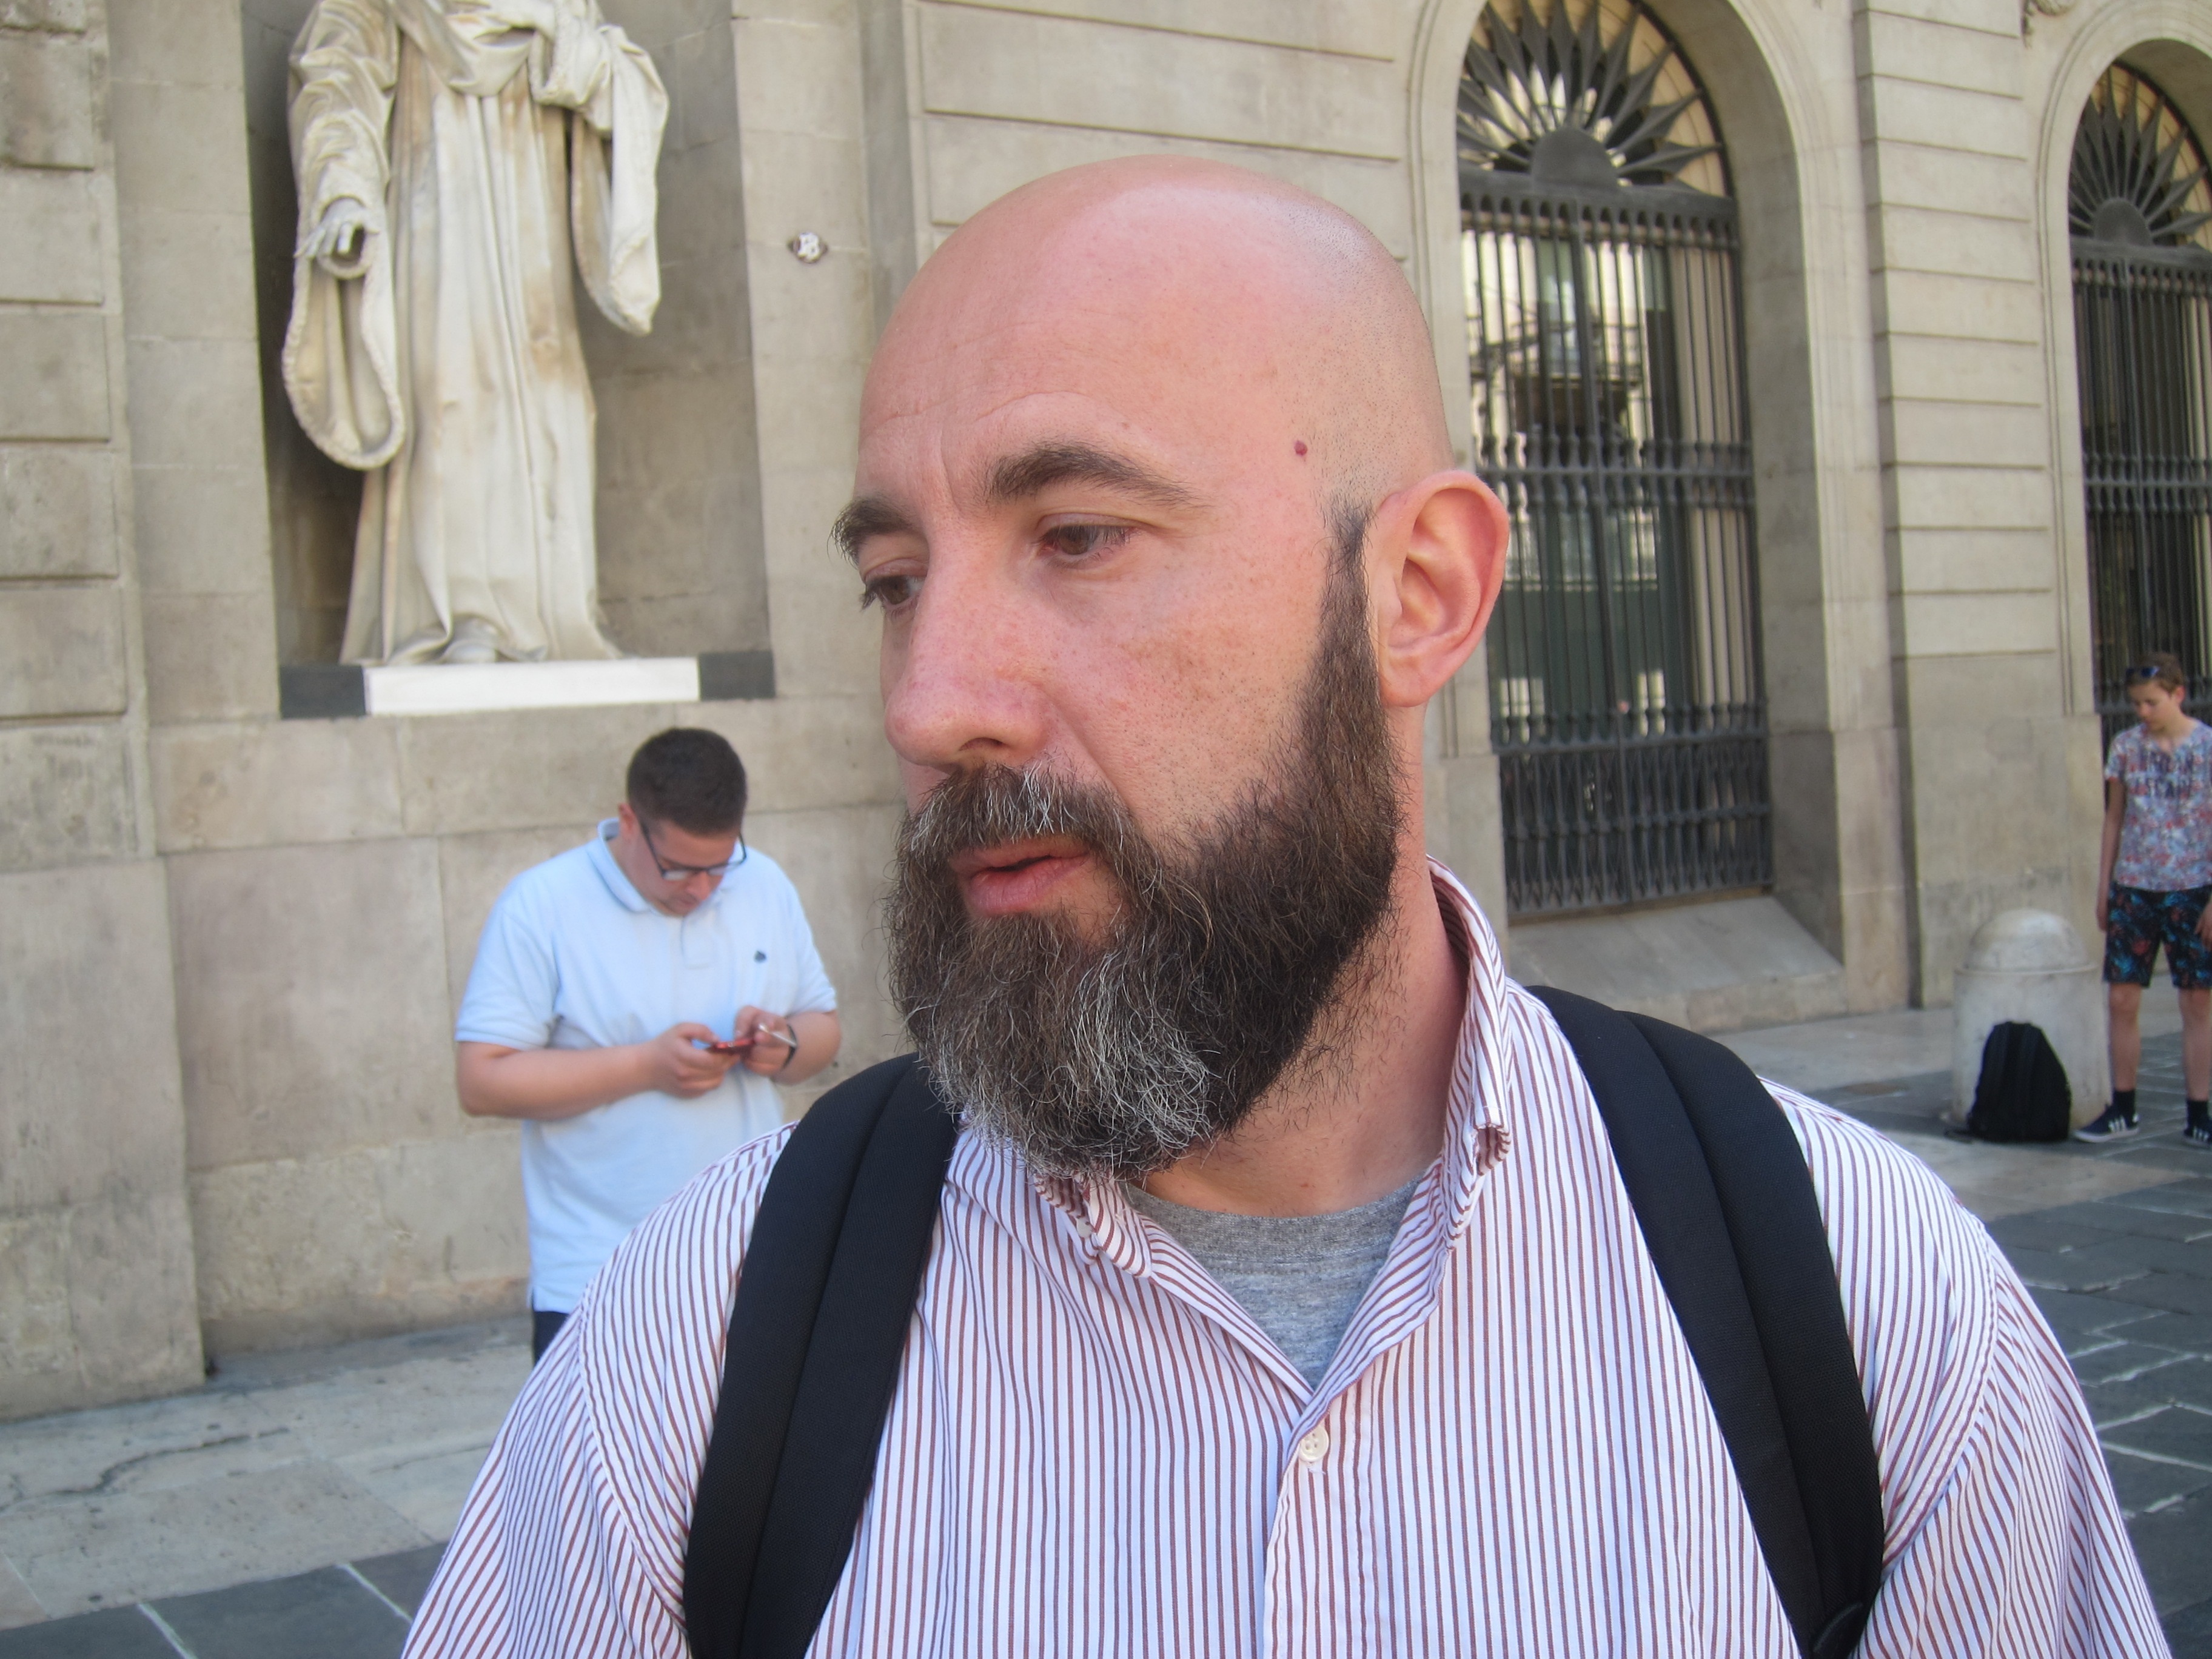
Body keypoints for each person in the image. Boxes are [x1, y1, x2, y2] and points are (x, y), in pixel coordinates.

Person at [407, 161, 2160, 1654]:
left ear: (1420, 593)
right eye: (895, 580)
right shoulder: (708, 1341)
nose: (928, 703)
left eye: (1078, 535)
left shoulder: (1858, 1302)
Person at [284, 0, 666, 665]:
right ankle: (460, 616)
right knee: (452, 402)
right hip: (435, 238)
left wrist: (551, 27)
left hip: (532, 254)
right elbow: (335, 80)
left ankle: (552, 615)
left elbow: (620, 85)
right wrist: (343, 188)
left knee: (552, 409)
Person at [453, 727, 840, 1361]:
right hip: (599, 1274)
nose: (701, 888)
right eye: (678, 868)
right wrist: (646, 1065)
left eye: (719, 866)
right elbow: (481, 1080)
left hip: (751, 1258)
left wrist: (786, 1044)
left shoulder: (764, 882)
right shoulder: (541, 904)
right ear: (628, 822)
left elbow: (823, 1028)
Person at [2079, 652, 2212, 1145]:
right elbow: (2114, 818)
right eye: (2136, 703)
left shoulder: (2207, 747)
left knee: (2196, 1001)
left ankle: (2199, 1112)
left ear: (2178, 694)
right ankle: (2123, 1108)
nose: (2142, 712)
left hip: (2192, 884)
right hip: (2135, 885)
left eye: (2152, 703)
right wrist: (2105, 887)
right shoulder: (2126, 747)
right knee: (2121, 997)